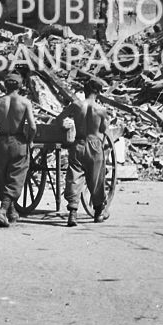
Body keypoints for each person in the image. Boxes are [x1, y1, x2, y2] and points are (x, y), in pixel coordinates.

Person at [0, 73, 36, 228]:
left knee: (2, 174)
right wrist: (30, 141)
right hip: (18, 141)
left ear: (5, 85)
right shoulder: (25, 102)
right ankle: (3, 210)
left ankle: (11, 210)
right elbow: (32, 126)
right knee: (16, 176)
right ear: (20, 85)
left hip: (2, 141)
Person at [63, 79, 110, 227]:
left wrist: (66, 126)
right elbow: (103, 129)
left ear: (84, 90)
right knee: (96, 179)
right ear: (98, 92)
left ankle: (73, 212)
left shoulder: (76, 106)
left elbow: (60, 119)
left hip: (78, 144)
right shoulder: (101, 110)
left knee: (74, 176)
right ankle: (98, 212)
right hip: (94, 145)